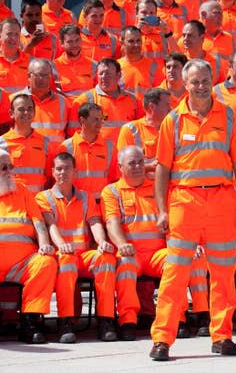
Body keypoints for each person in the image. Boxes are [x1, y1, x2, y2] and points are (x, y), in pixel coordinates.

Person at [149, 59, 236, 360]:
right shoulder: (174, 119)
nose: (200, 86)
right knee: (175, 273)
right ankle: (162, 339)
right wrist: (162, 209)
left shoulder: (230, 116)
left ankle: (222, 336)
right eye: (194, 81)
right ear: (185, 83)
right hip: (184, 202)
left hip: (223, 201)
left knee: (222, 272)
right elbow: (162, 168)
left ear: (213, 80)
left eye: (205, 79)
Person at [102, 146, 209, 341]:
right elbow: (111, 222)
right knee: (125, 266)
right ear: (120, 167)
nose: (137, 167)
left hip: (157, 253)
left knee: (176, 263)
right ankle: (128, 321)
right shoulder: (111, 192)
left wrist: (181, 245)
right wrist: (122, 244)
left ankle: (178, 318)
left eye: (140, 162)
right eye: (131, 163)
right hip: (131, 253)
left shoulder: (156, 188)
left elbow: (173, 220)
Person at [36, 151, 118, 343]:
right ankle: (66, 321)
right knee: (66, 261)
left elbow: (95, 222)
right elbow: (50, 225)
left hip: (84, 255)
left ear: (75, 172)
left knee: (106, 258)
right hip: (62, 253)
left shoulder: (86, 197)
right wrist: (62, 245)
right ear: (52, 172)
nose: (63, 172)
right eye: (58, 169)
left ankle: (106, 319)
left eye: (67, 169)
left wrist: (101, 242)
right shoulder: (43, 197)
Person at [0, 148, 57, 344]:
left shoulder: (22, 190)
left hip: (21, 262)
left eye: (10, 167)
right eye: (3, 168)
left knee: (46, 263)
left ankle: (30, 323)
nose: (9, 171)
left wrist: (44, 245)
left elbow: (38, 222)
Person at [0, 94, 55, 193]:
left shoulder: (45, 143)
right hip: (13, 206)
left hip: (37, 204)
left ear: (34, 113)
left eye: (30, 109)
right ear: (11, 113)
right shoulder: (2, 143)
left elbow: (49, 178)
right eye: (21, 109)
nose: (26, 112)